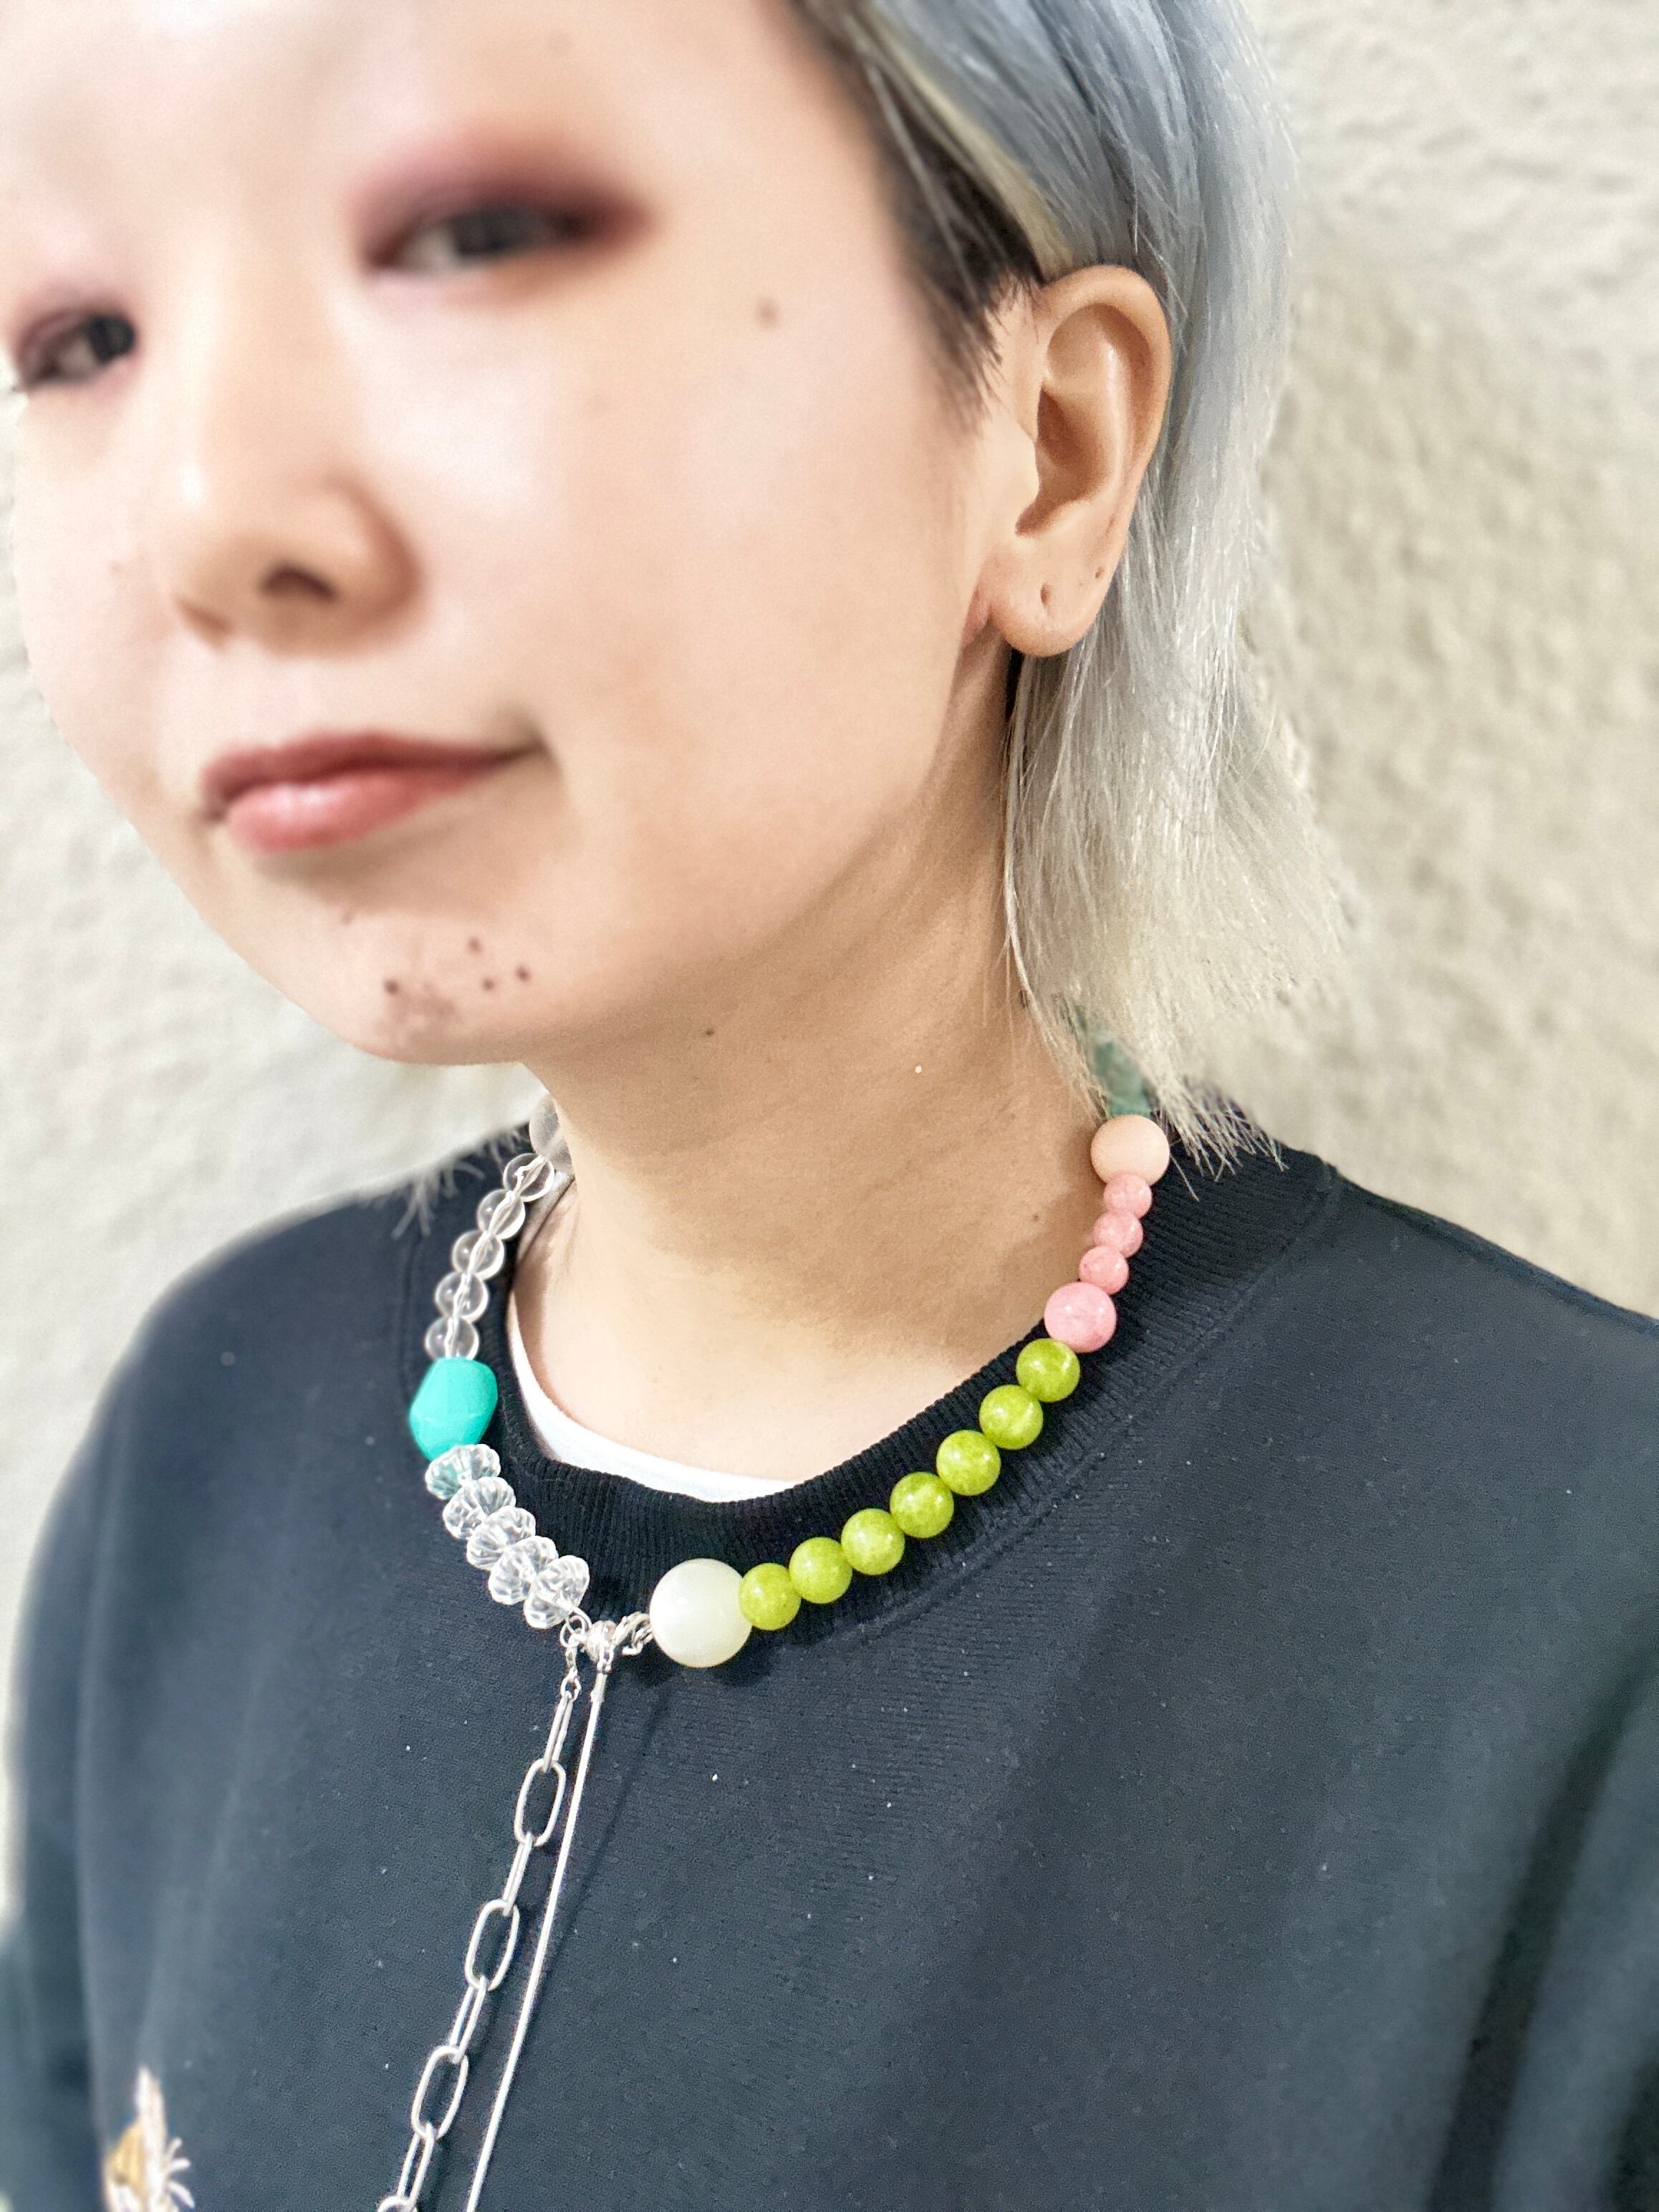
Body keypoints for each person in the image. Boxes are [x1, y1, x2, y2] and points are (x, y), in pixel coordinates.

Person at [0, 0, 1654, 2205]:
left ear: (1046, 449)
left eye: (475, 232)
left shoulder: (1578, 1625)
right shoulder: (207, 1448)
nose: (210, 518)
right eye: (76, 336)